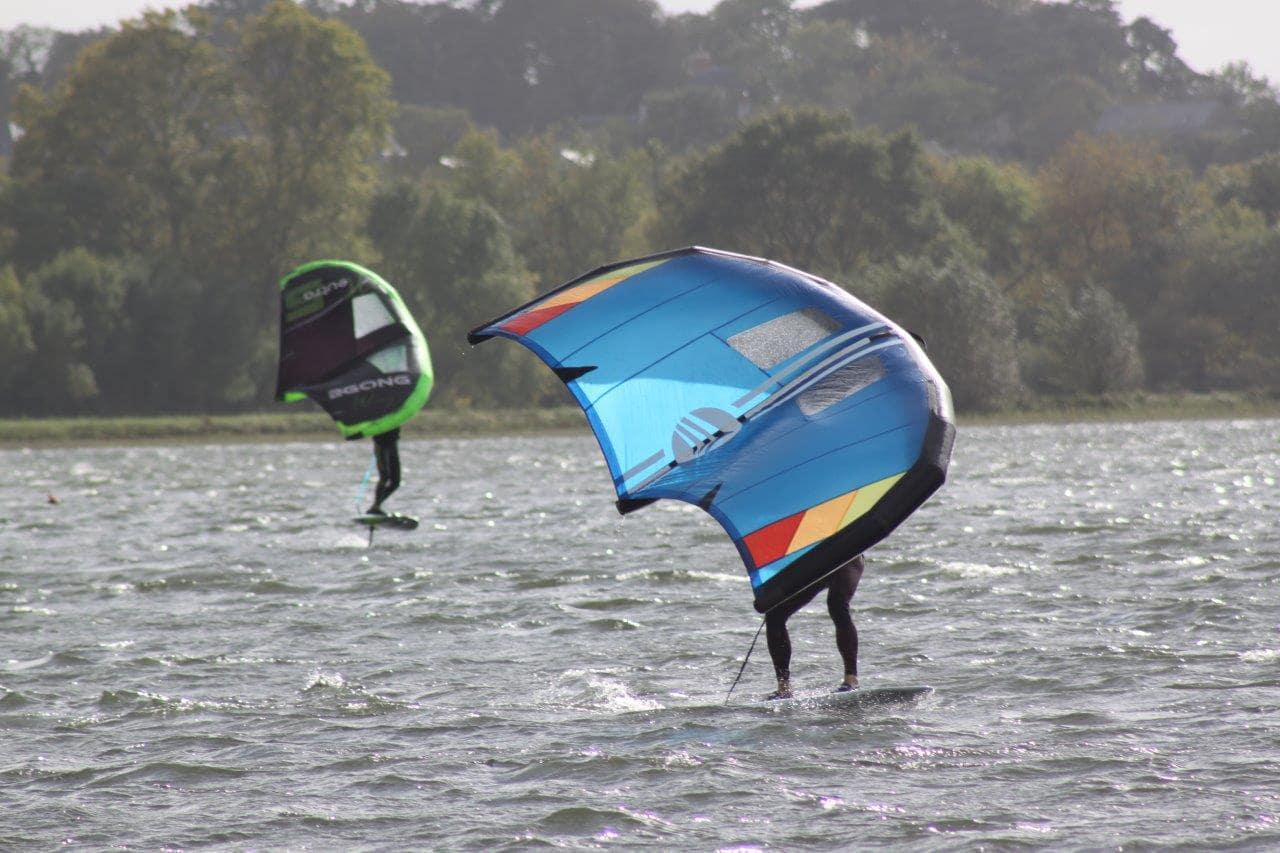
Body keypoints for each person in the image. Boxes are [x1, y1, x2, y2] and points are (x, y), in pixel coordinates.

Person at [764, 554, 864, 700]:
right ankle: (784, 687)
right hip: (816, 560)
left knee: (837, 605)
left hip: (847, 555)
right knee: (774, 615)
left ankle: (851, 679)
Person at [368, 427, 401, 515]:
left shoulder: (396, 415)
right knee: (385, 476)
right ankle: (376, 507)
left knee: (396, 482)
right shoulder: (379, 414)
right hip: (381, 445)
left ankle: (376, 505)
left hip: (392, 444)